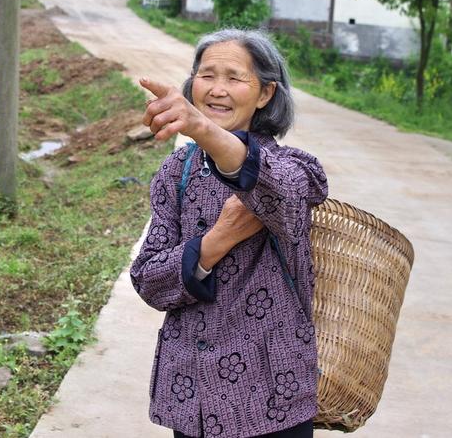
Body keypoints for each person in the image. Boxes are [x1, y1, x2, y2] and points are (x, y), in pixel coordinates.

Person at [130, 28, 328, 438]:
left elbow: (283, 194)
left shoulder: (295, 168)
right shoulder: (175, 172)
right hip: (192, 396)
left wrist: (202, 129)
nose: (217, 89)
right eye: (206, 75)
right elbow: (148, 278)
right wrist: (216, 240)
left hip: (272, 402)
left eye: (234, 78)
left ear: (265, 94)